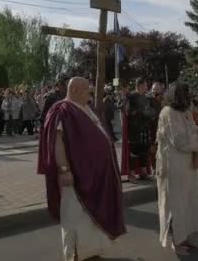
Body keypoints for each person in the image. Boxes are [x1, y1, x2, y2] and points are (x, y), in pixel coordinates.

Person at [37, 77, 126, 261]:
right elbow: (56, 142)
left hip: (96, 176)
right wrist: (64, 169)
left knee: (91, 221)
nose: (90, 94)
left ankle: (91, 253)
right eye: (87, 91)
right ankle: (77, 255)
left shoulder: (86, 109)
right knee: (77, 218)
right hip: (77, 177)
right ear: (75, 90)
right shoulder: (61, 110)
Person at [156, 83, 198, 256]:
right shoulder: (168, 112)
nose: (185, 97)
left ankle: (186, 237)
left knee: (188, 202)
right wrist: (197, 144)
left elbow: (195, 133)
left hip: (187, 165)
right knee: (174, 204)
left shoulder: (185, 112)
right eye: (182, 94)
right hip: (172, 165)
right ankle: (175, 242)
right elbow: (179, 140)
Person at [124, 78, 156, 183]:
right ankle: (131, 174)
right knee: (134, 151)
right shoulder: (131, 97)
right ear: (140, 85)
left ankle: (143, 172)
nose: (147, 87)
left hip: (145, 127)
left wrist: (150, 113)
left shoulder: (148, 98)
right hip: (135, 128)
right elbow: (127, 111)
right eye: (145, 85)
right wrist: (139, 111)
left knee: (144, 150)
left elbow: (152, 111)